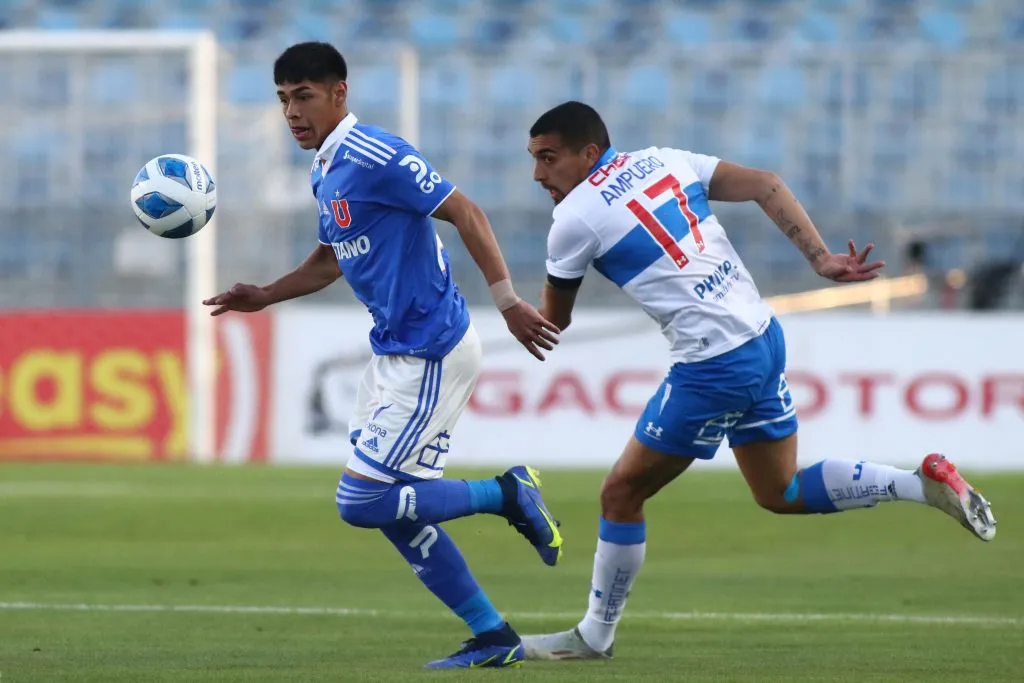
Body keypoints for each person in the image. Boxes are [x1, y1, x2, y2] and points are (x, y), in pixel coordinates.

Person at [517, 101, 998, 661]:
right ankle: (921, 483)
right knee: (780, 492)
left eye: (548, 158)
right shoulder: (665, 160)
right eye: (534, 159)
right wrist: (821, 259)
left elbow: (555, 322)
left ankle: (594, 635)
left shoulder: (572, 220)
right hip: (762, 337)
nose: (538, 175)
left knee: (621, 493)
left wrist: (505, 300)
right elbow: (766, 183)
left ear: (589, 153)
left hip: (712, 364)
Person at [202, 42, 563, 670]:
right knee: (395, 508)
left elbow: (466, 212)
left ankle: (507, 493)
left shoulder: (377, 154)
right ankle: (492, 634)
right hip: (394, 355)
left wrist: (506, 301)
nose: (292, 111)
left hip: (431, 351)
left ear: (340, 93)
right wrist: (265, 295)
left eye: (305, 96)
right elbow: (328, 260)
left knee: (362, 501)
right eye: (284, 99)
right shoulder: (325, 167)